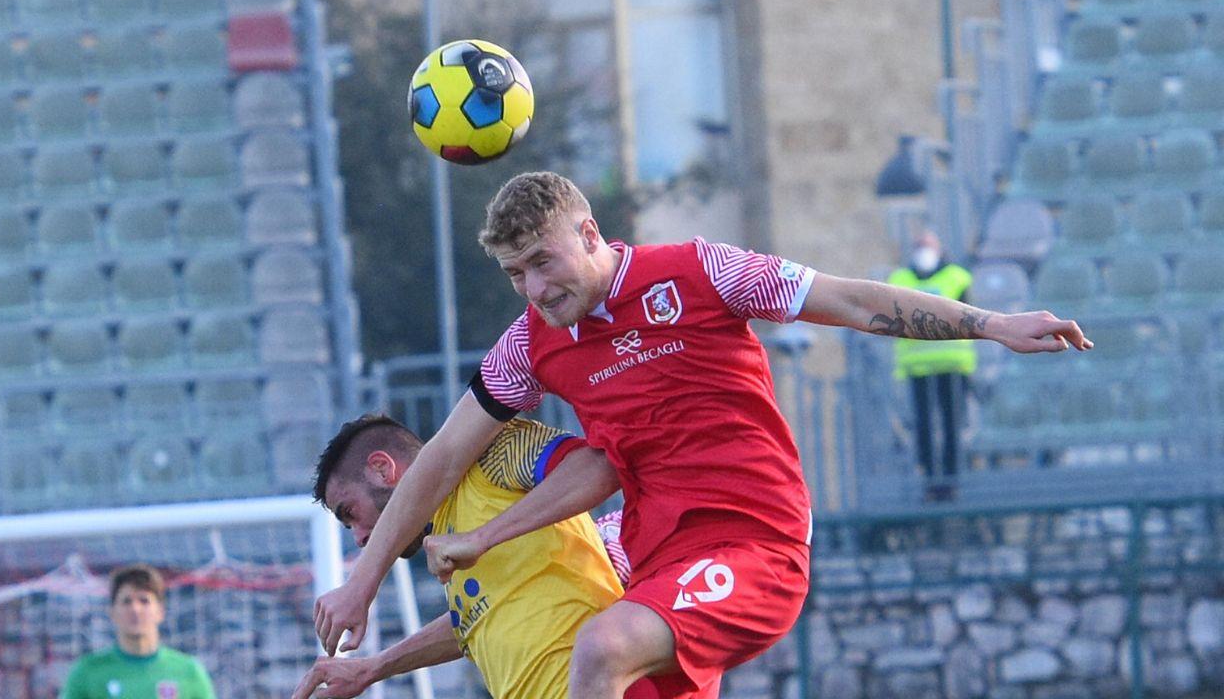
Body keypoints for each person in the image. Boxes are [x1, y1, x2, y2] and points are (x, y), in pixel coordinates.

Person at [313, 172, 1092, 699]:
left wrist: (992, 325)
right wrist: (365, 584)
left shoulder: (700, 272)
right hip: (657, 569)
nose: (536, 289)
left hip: (755, 544)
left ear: (589, 233)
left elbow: (851, 302)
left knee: (604, 645)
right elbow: (443, 452)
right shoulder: (531, 342)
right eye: (516, 275)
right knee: (617, 650)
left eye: (544, 263)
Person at [292, 413, 666, 699]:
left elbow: (596, 464)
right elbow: (471, 623)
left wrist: (483, 537)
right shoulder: (444, 539)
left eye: (350, 514)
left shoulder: (489, 455)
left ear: (381, 468)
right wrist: (372, 668)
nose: (358, 538)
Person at [887, 230, 976, 497]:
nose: (923, 250)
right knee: (923, 426)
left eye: (928, 244)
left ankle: (951, 479)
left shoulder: (957, 277)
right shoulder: (899, 279)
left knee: (952, 425)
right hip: (918, 367)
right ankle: (929, 478)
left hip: (952, 364)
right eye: (919, 245)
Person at [60, 564, 216, 699]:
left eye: (144, 601)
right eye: (126, 601)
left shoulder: (188, 671)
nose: (135, 609)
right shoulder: (87, 672)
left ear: (160, 611)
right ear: (112, 612)